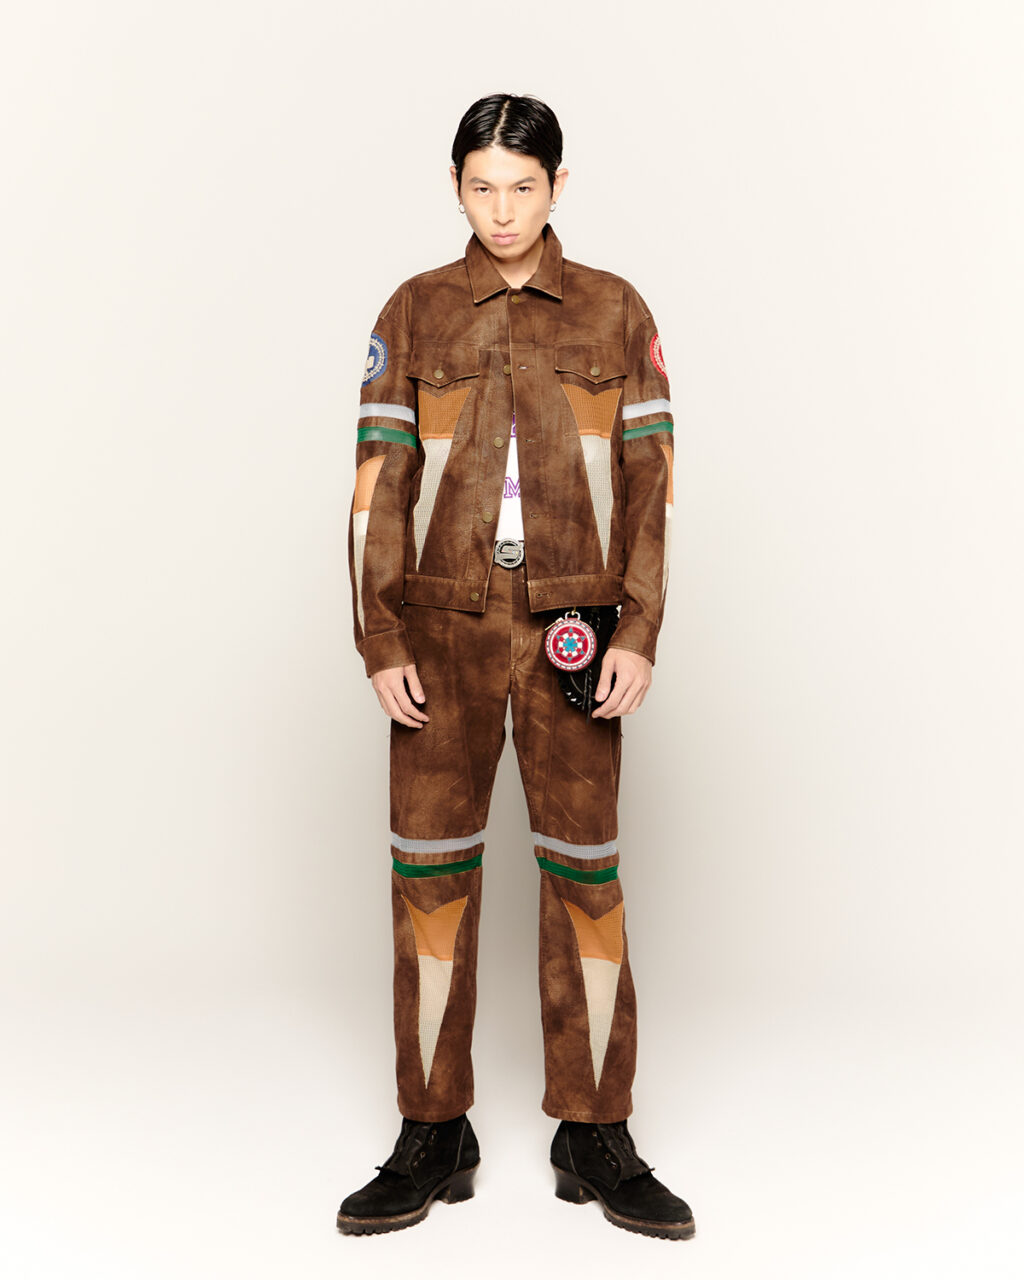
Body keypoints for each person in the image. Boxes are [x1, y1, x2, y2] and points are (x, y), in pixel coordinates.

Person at [336, 93, 694, 1241]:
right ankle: (432, 1125)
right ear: (455, 186)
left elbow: (651, 486)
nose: (501, 210)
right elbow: (374, 490)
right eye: (481, 187)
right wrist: (380, 637)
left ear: (557, 186)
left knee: (586, 876)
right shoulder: (413, 310)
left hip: (572, 633)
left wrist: (636, 628)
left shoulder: (614, 309)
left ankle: (594, 1127)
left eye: (522, 187)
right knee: (428, 876)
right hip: (439, 636)